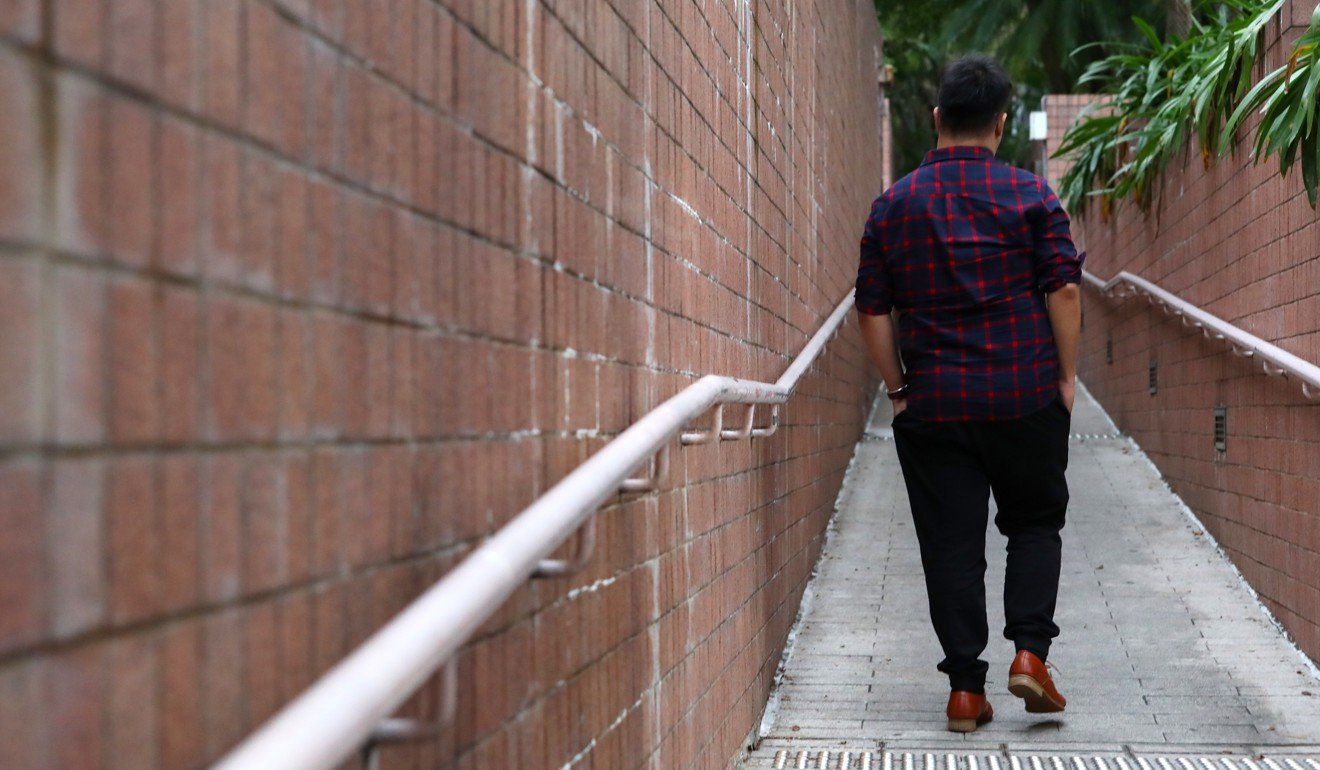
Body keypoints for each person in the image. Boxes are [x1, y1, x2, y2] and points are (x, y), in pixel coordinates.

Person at [854, 54, 1083, 733]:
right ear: (1002, 124)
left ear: (936, 119)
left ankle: (963, 691)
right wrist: (1065, 378)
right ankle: (1030, 655)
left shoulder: (893, 206)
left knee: (950, 546)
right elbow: (1063, 287)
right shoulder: (1032, 197)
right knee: (1035, 523)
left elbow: (870, 309)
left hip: (935, 404)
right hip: (1024, 394)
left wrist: (897, 389)